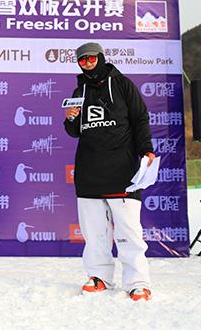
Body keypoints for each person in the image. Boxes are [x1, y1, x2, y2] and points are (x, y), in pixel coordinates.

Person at [64, 42, 155, 302]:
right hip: (89, 170)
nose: (87, 63)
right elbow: (74, 131)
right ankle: (99, 276)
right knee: (94, 232)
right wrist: (70, 118)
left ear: (101, 58)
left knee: (128, 232)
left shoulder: (123, 84)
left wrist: (146, 149)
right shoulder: (78, 90)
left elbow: (140, 118)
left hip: (122, 169)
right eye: (82, 60)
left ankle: (137, 282)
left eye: (91, 58)